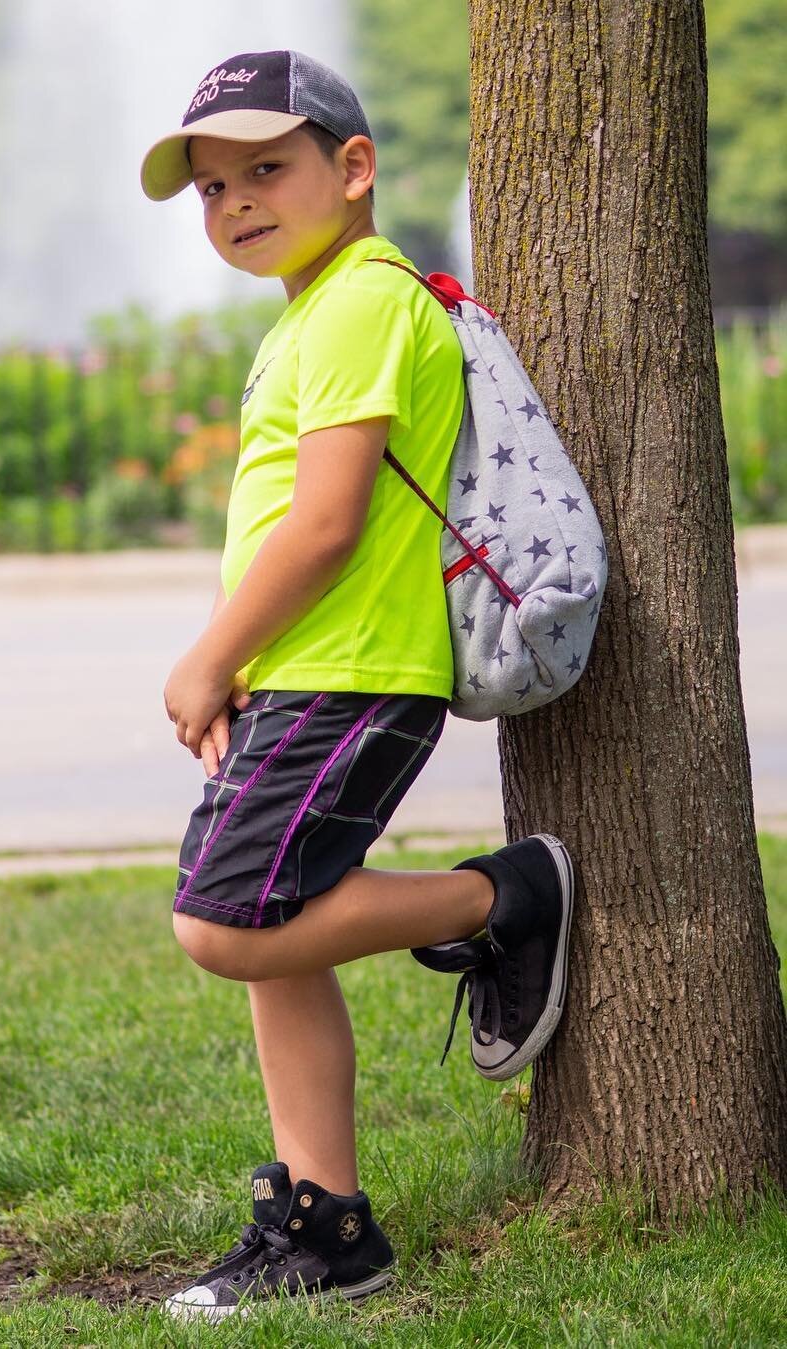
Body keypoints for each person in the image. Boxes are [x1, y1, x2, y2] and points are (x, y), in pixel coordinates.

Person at [139, 49, 575, 1324]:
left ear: (355, 165)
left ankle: (505, 897)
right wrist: (239, 661)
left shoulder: (361, 303)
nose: (236, 203)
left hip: (351, 675)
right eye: (213, 188)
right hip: (302, 674)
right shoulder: (317, 308)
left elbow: (324, 527)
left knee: (225, 922)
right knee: (278, 940)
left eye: (265, 169)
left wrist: (211, 652)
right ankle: (327, 1224)